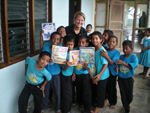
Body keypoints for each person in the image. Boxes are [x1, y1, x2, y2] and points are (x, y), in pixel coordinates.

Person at [41, 32, 62, 113]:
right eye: (53, 38)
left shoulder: (60, 48)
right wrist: (47, 59)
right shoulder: (46, 46)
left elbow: (62, 62)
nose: (55, 40)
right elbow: (42, 57)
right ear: (50, 39)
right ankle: (43, 106)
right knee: (45, 90)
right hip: (46, 73)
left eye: (57, 39)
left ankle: (57, 108)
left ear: (60, 40)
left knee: (57, 91)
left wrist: (57, 59)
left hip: (56, 73)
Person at [116, 40, 138, 113]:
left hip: (129, 79)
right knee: (123, 94)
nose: (124, 50)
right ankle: (126, 107)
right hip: (121, 79)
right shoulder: (121, 56)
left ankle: (127, 103)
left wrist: (122, 62)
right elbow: (117, 65)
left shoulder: (133, 57)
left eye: (126, 48)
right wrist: (117, 67)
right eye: (123, 48)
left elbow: (131, 66)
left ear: (131, 49)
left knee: (129, 96)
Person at [91, 31, 110, 113]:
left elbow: (106, 64)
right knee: (98, 90)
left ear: (101, 39)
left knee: (100, 92)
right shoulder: (93, 49)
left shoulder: (102, 50)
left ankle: (98, 107)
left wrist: (99, 75)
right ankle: (103, 100)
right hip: (96, 73)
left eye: (96, 38)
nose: (94, 40)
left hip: (102, 75)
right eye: (93, 38)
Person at [74, 36, 93, 113]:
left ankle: (87, 108)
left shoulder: (89, 51)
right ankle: (80, 103)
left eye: (83, 42)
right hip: (77, 74)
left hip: (85, 74)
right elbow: (72, 63)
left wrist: (86, 67)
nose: (80, 44)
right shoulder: (74, 50)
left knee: (86, 91)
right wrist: (73, 73)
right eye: (79, 42)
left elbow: (91, 64)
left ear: (87, 43)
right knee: (79, 89)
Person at [100, 35, 120, 109]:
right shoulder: (105, 50)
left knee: (112, 88)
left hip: (112, 73)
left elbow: (112, 63)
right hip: (105, 73)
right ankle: (105, 99)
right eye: (110, 41)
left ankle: (113, 102)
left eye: (113, 42)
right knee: (105, 87)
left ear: (116, 44)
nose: (111, 43)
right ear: (107, 42)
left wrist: (106, 56)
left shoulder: (117, 52)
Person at [61, 35, 75, 113]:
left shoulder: (74, 53)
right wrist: (67, 65)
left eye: (71, 45)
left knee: (70, 92)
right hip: (65, 76)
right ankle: (66, 110)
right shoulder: (63, 54)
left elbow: (74, 66)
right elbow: (62, 68)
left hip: (71, 76)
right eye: (68, 45)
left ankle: (68, 108)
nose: (69, 47)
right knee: (66, 93)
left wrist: (73, 73)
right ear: (64, 45)